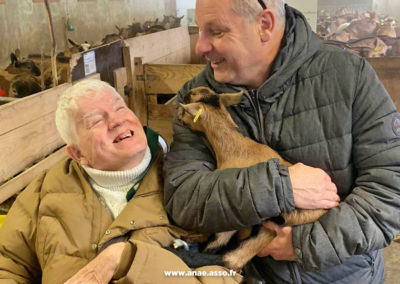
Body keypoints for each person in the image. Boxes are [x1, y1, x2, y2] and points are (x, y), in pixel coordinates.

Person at [163, 0, 400, 283]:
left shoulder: (349, 76)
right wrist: (280, 186)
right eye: (200, 30)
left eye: (216, 31)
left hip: (341, 275)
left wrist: (305, 243)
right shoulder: (196, 97)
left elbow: (390, 188)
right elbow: (184, 199)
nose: (200, 46)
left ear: (264, 25)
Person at [0, 80, 242, 284]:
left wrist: (129, 260)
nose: (116, 121)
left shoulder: (191, 183)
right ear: (77, 154)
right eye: (95, 121)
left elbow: (229, 274)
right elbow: (8, 266)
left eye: (120, 108)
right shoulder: (45, 191)